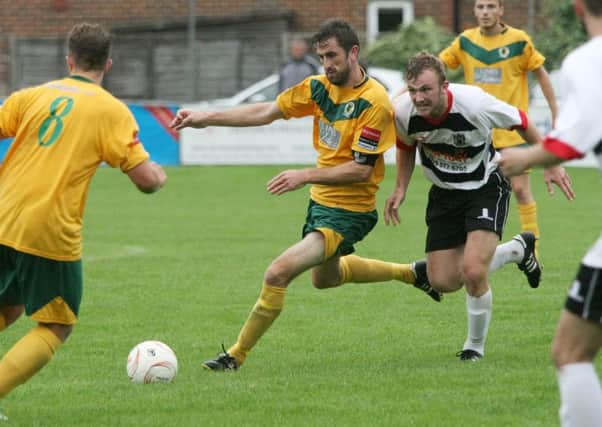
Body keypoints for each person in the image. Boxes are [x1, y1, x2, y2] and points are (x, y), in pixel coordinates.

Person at [171, 19, 440, 371]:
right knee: (324, 279)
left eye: (333, 56)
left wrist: (304, 175)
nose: (327, 64)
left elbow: (361, 169)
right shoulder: (317, 88)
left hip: (351, 210)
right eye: (322, 56)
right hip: (321, 203)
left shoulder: (373, 102)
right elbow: (266, 111)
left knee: (277, 273)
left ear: (353, 52)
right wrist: (206, 117)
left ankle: (235, 355)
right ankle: (410, 272)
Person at [0, 23, 167, 416]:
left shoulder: (34, 96)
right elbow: (145, 181)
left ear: (69, 59)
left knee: (9, 307)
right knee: (57, 326)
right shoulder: (110, 110)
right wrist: (159, 174)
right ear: (108, 63)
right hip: (48, 228)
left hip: (4, 215)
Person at [385, 52, 574, 362]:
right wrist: (401, 187)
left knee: (473, 271)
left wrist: (549, 161)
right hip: (444, 194)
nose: (418, 98)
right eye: (413, 89)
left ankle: (474, 347)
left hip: (486, 186)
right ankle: (517, 250)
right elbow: (406, 147)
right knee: (443, 281)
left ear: (444, 86)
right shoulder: (403, 112)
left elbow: (522, 122)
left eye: (426, 90)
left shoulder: (475, 104)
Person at [499, 0, 602, 424]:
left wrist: (522, 159)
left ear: (578, 7)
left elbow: (571, 140)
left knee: (570, 353)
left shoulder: (588, 59)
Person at [439, 0, 558, 253]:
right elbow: (437, 69)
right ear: (474, 11)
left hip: (513, 131)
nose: (485, 12)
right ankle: (469, 247)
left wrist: (555, 112)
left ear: (501, 10)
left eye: (491, 6)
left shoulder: (518, 40)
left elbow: (542, 74)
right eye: (480, 7)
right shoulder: (465, 41)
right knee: (473, 192)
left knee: (520, 190)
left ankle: (532, 248)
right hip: (478, 134)